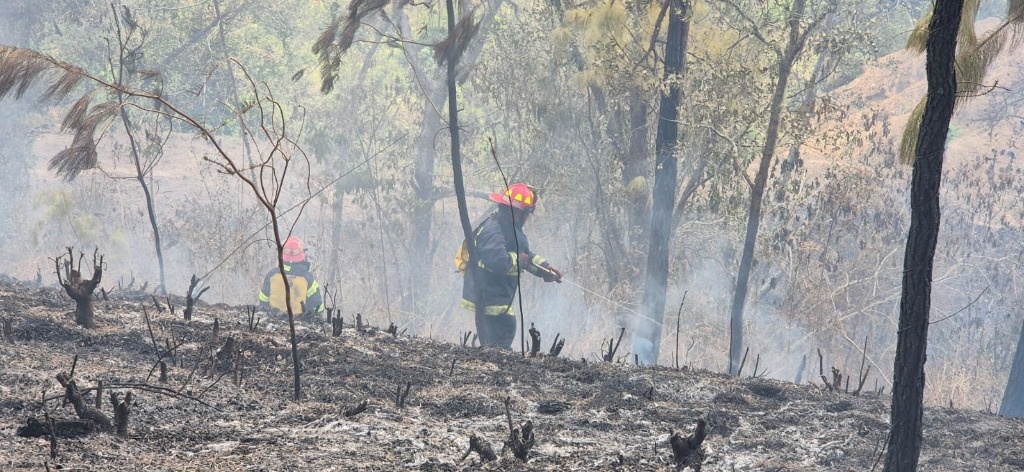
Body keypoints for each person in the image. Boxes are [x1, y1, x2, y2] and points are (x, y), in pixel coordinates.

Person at [460, 183, 563, 349]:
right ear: (517, 212)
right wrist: (519, 261)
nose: (528, 218)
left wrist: (545, 269)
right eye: (527, 213)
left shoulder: (509, 227)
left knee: (499, 340)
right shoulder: (493, 229)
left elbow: (525, 253)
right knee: (502, 335)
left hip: (498, 297)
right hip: (489, 299)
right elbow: (498, 261)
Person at [258, 236, 325, 319]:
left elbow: (263, 300)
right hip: (299, 324)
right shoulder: (307, 278)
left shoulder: (272, 275)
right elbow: (318, 307)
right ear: (303, 255)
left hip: (273, 321)